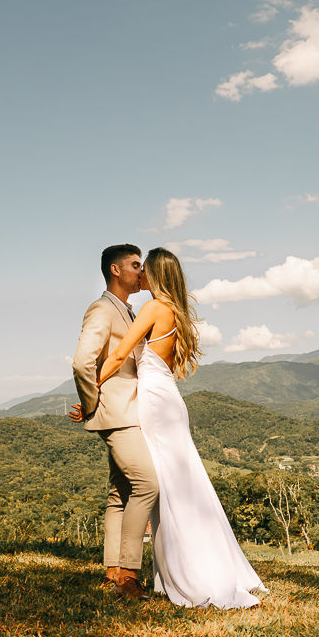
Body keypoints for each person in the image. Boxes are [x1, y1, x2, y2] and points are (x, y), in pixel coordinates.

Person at [96, 247, 267, 609]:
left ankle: (188, 572)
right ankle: (191, 565)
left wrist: (92, 389)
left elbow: (120, 353)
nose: (139, 274)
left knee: (167, 485)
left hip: (154, 402)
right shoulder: (175, 311)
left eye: (144, 269)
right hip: (168, 400)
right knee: (183, 485)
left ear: (156, 275)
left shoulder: (153, 308)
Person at [70, 244, 158, 600]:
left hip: (130, 410)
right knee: (147, 484)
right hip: (118, 413)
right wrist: (92, 404)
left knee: (119, 493)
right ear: (115, 270)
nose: (142, 271)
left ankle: (111, 571)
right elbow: (82, 362)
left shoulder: (128, 310)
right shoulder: (102, 309)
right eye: (136, 265)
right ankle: (129, 575)